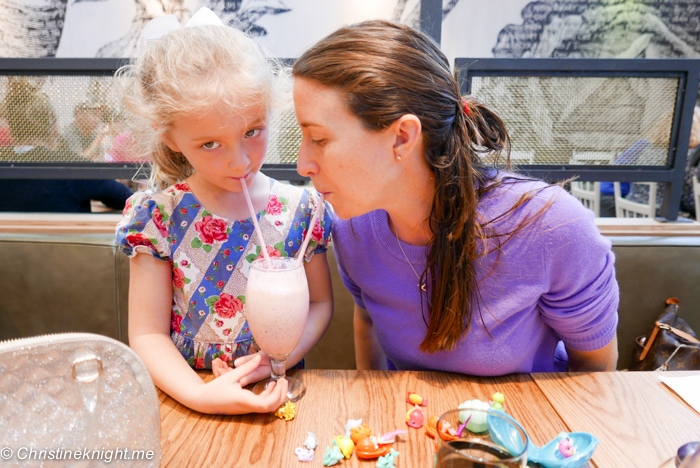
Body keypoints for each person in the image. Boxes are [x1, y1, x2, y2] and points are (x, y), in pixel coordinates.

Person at [292, 20, 619, 375]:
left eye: (320, 139)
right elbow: (368, 319)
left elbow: (594, 371)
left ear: (402, 137)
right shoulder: (353, 229)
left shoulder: (553, 227)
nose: (302, 164)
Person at [114, 8, 334, 415]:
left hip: (281, 391)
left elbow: (320, 304)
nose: (239, 161)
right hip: (188, 396)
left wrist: (277, 358)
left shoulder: (302, 211)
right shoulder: (158, 217)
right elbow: (146, 334)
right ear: (172, 138)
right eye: (210, 144)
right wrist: (200, 396)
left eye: (252, 131)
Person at [0, 80, 132, 213]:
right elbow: (125, 198)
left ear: (12, 129)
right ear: (53, 127)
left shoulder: (4, 159)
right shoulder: (69, 164)